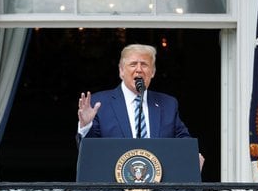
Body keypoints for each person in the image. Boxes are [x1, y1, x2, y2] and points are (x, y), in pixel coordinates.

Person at [77, 43, 205, 169]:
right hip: (114, 186)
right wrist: (86, 126)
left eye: (144, 64)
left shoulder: (168, 104)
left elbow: (183, 141)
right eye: (133, 64)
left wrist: (191, 156)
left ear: (153, 72)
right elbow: (89, 154)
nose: (139, 69)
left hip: (159, 186)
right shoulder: (99, 103)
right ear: (121, 71)